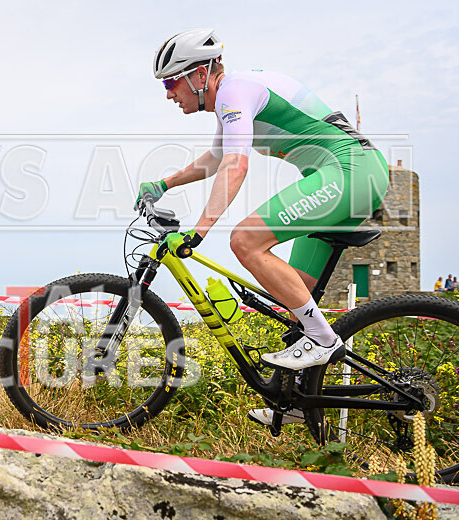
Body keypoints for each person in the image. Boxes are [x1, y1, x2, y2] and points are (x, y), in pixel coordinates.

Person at [137, 28, 389, 426]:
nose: (169, 93)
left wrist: (199, 231)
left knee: (245, 241)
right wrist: (163, 184)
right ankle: (294, 401)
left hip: (350, 171)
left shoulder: (235, 92)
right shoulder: (231, 101)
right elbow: (217, 159)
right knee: (295, 297)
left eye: (171, 82)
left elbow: (237, 166)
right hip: (346, 173)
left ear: (200, 76)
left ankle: (324, 342)